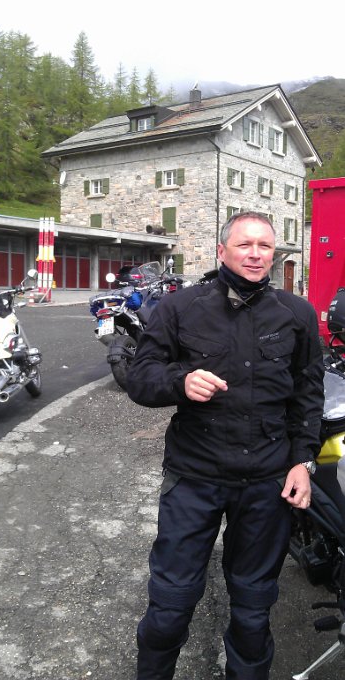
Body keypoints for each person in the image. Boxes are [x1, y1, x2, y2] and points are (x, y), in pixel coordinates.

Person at [126, 211, 325, 680]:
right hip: (195, 476)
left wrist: (303, 461)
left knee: (253, 610)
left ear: (274, 254)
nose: (255, 254)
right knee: (170, 606)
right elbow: (140, 377)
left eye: (264, 246)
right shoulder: (180, 308)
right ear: (222, 251)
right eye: (244, 245)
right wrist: (180, 381)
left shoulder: (297, 314)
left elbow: (307, 394)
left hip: (266, 483)